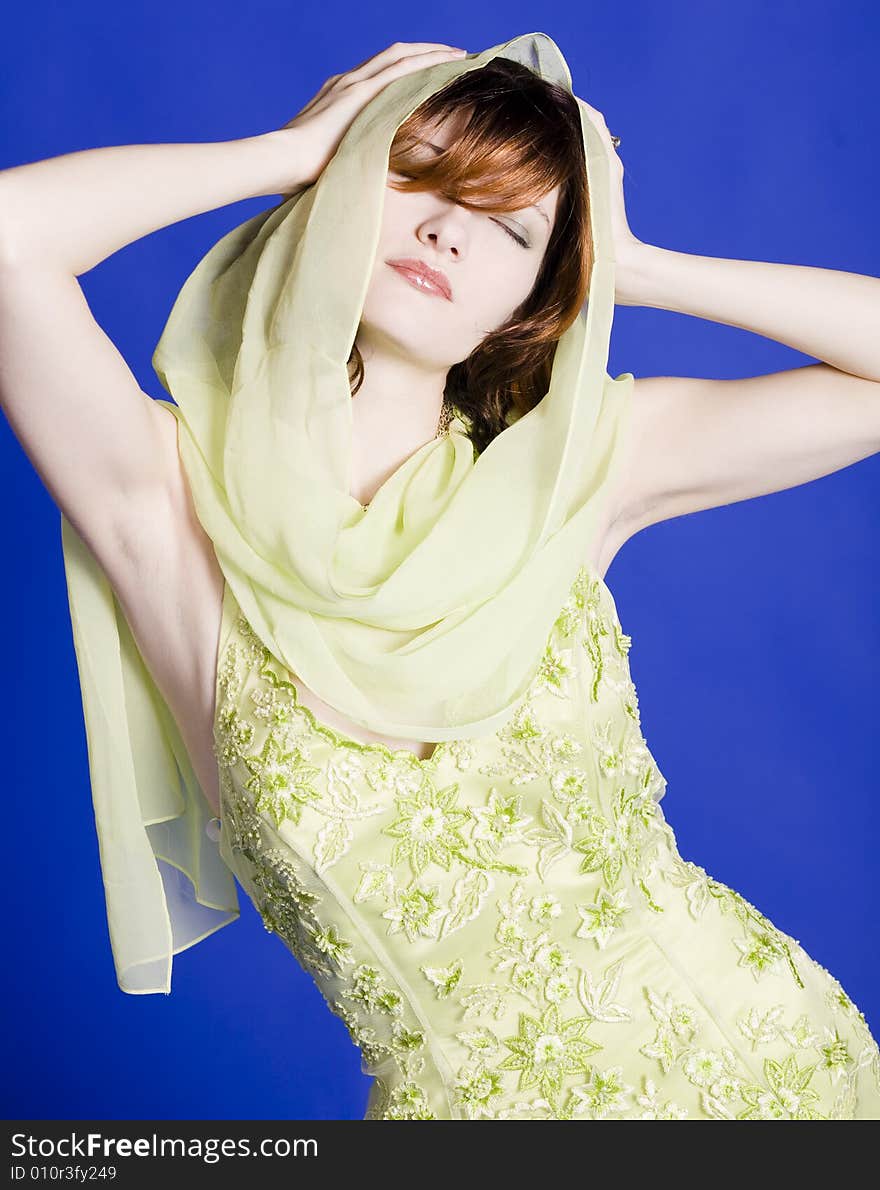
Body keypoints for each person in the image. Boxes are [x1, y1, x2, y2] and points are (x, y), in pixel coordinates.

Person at [1, 33, 878, 1121]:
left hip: (779, 1076)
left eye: (511, 227)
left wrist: (634, 264)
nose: (446, 230)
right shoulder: (166, 507)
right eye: (413, 173)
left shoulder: (575, 470)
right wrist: (290, 148)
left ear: (531, 296)